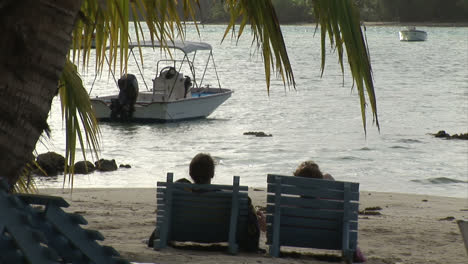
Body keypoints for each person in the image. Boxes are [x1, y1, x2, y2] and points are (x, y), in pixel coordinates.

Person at [189, 153, 265, 252]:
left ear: (190, 174)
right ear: (212, 174)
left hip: (186, 233)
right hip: (219, 235)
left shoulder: (178, 194)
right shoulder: (229, 198)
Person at [293, 160, 365, 263]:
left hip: (297, 238)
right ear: (320, 182)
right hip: (331, 239)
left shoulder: (290, 207)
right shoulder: (329, 209)